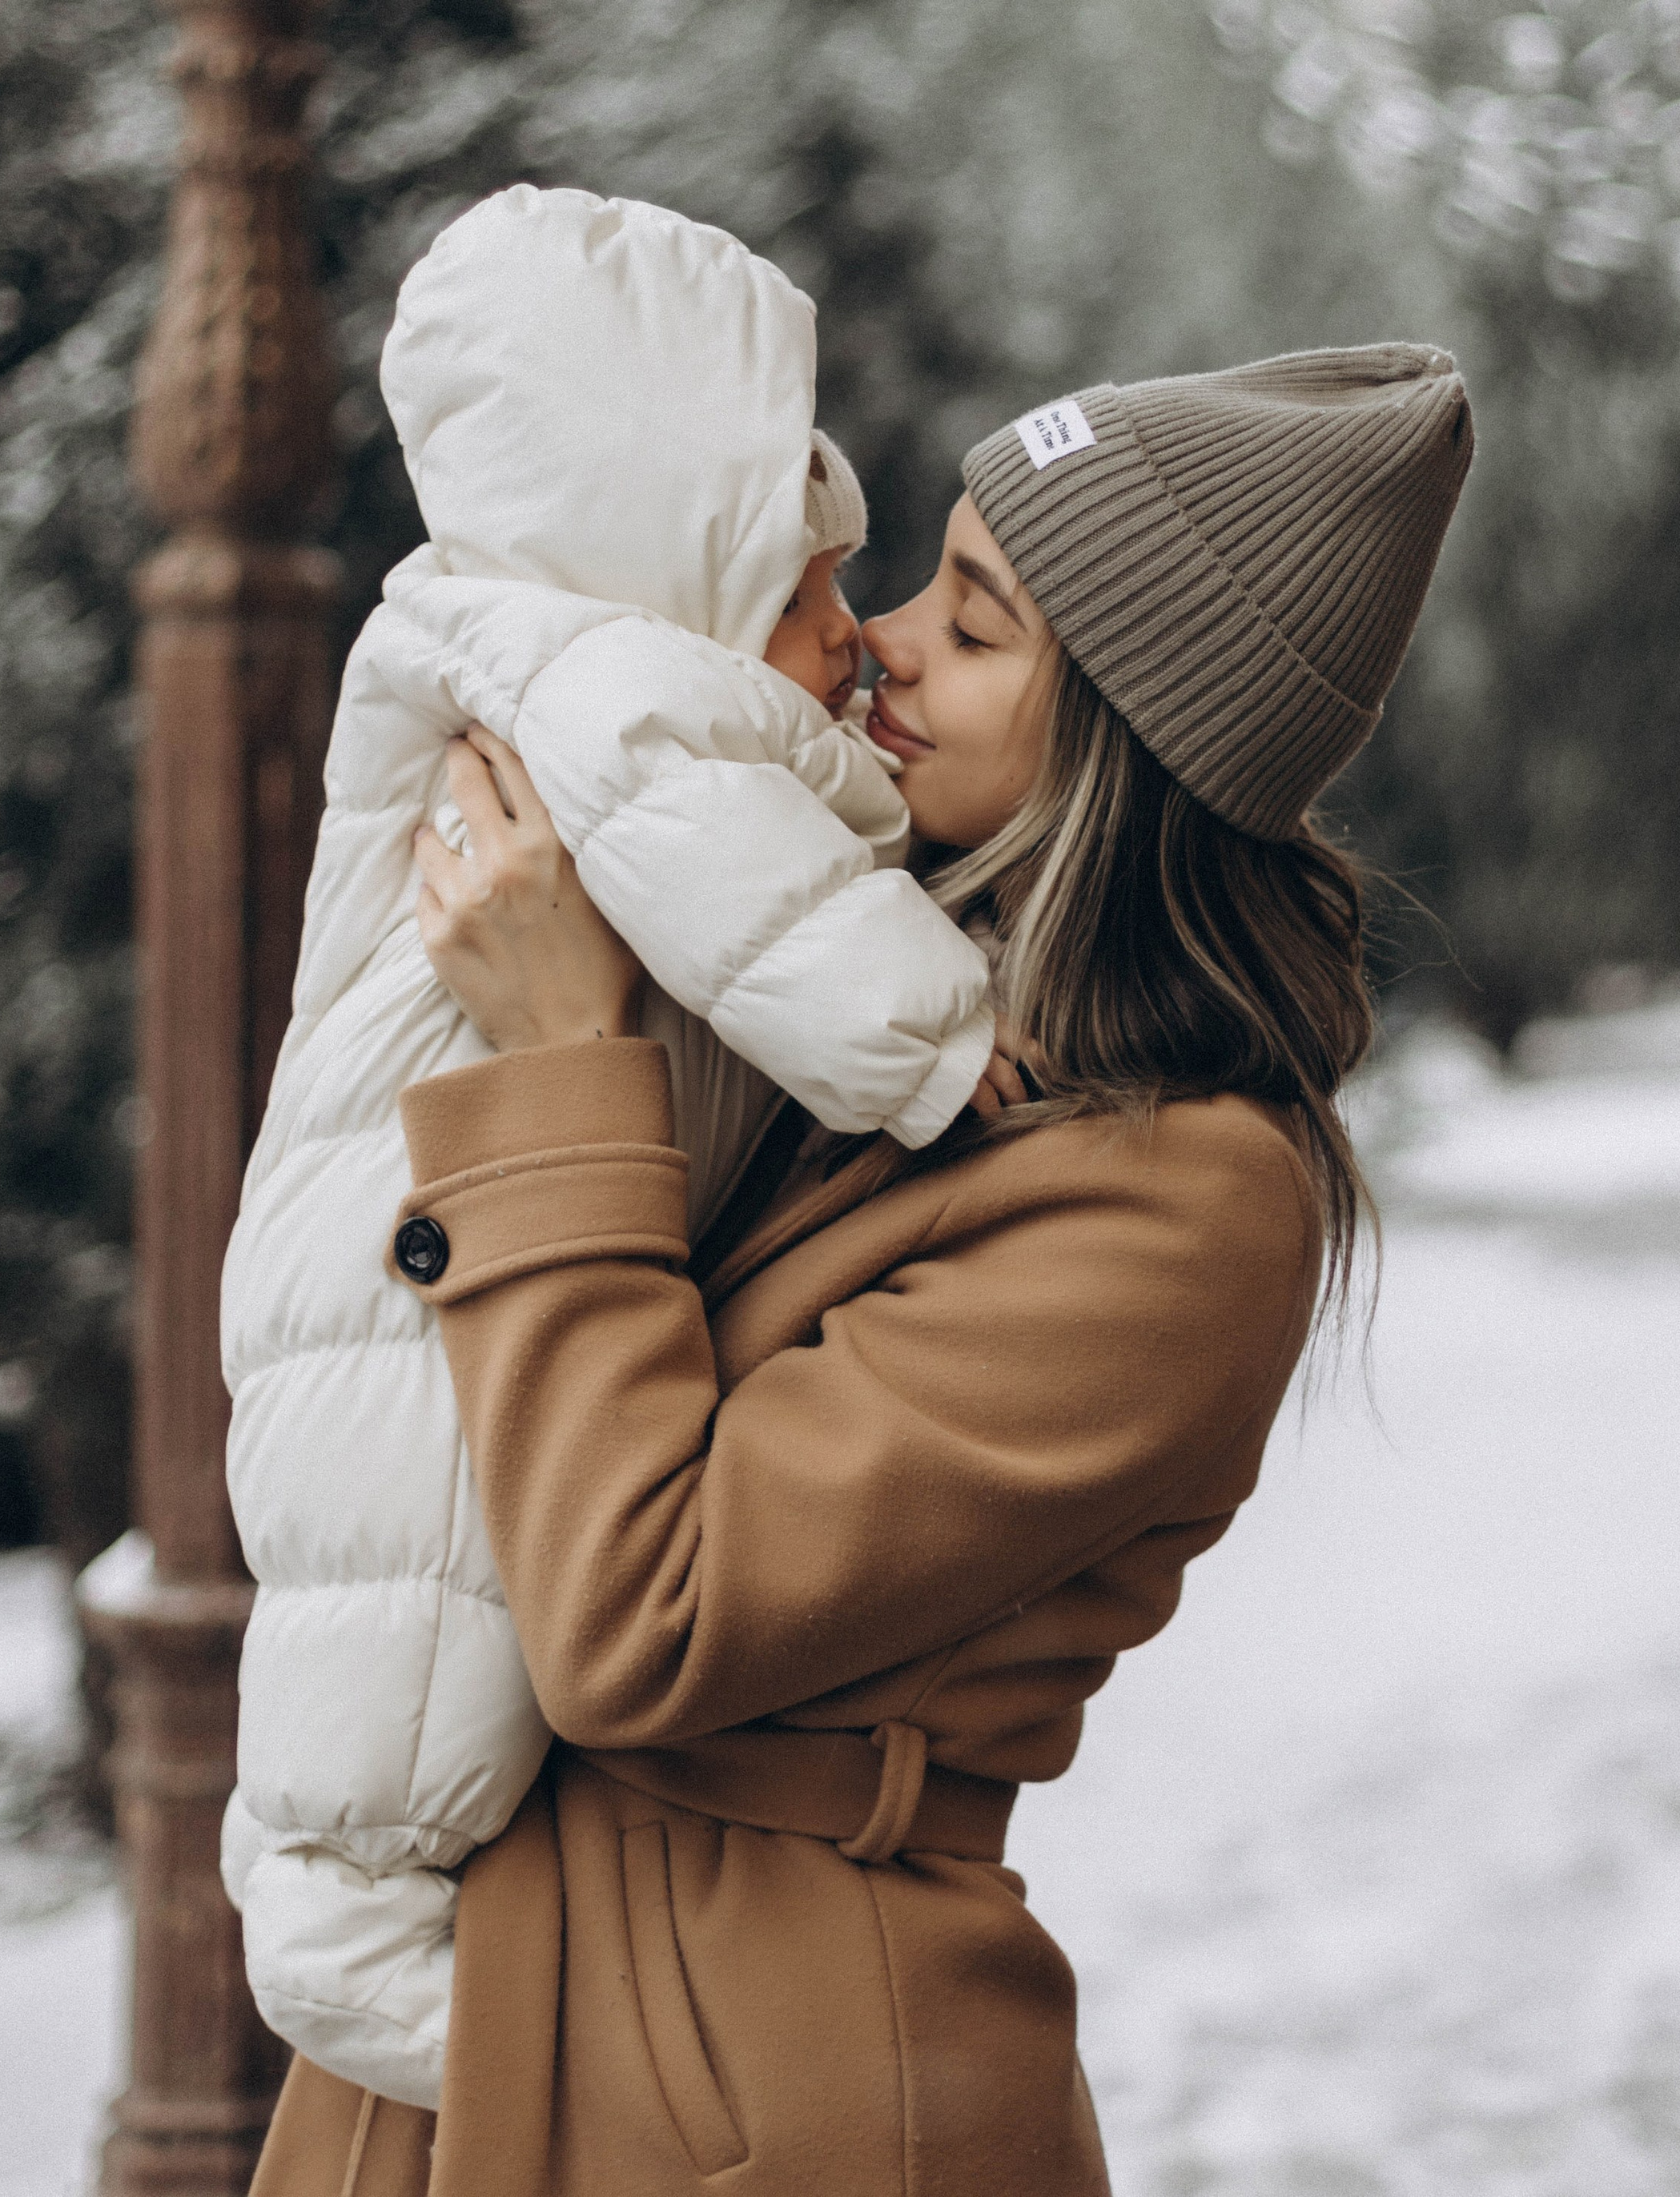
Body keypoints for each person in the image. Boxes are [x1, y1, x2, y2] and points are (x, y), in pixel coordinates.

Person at [249, 340, 1473, 2197]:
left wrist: (561, 1063)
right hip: (506, 1994)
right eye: (921, 580)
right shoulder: (855, 992)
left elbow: (641, 1621)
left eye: (971, 627)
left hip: (745, 2071)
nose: (883, 642)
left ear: (1127, 753)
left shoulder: (1185, 1205)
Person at [223, 187, 1013, 2110]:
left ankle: (382, 1954)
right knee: (406, 1624)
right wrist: (939, 1043)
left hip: (404, 1225)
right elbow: (760, 904)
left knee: (394, 1623)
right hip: (399, 1254)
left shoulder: (550, 652)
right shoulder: (605, 690)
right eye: (811, 592)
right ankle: (396, 1987)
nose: (855, 643)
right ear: (682, 557)